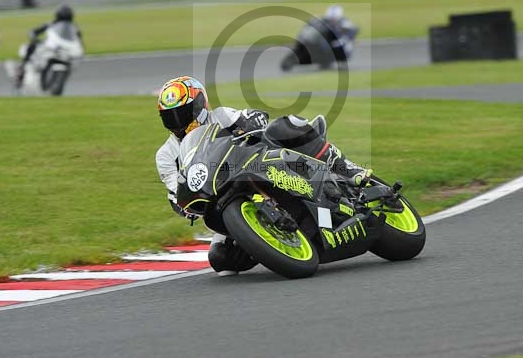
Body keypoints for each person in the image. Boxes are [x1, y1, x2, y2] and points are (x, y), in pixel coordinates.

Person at [155, 75, 371, 276]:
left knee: (284, 127)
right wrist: (183, 205)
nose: (178, 121)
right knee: (221, 260)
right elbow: (175, 189)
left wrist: (251, 124)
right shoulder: (166, 155)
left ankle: (346, 169)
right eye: (170, 117)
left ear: (200, 105)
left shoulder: (220, 116)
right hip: (222, 195)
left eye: (182, 113)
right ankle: (273, 241)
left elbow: (251, 117)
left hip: (257, 164)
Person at [15, 5, 82, 88]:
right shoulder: (51, 24)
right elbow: (33, 31)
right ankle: (22, 67)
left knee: (73, 61)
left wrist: (79, 47)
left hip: (65, 51)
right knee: (32, 45)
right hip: (51, 47)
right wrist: (34, 38)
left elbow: (78, 40)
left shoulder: (74, 28)